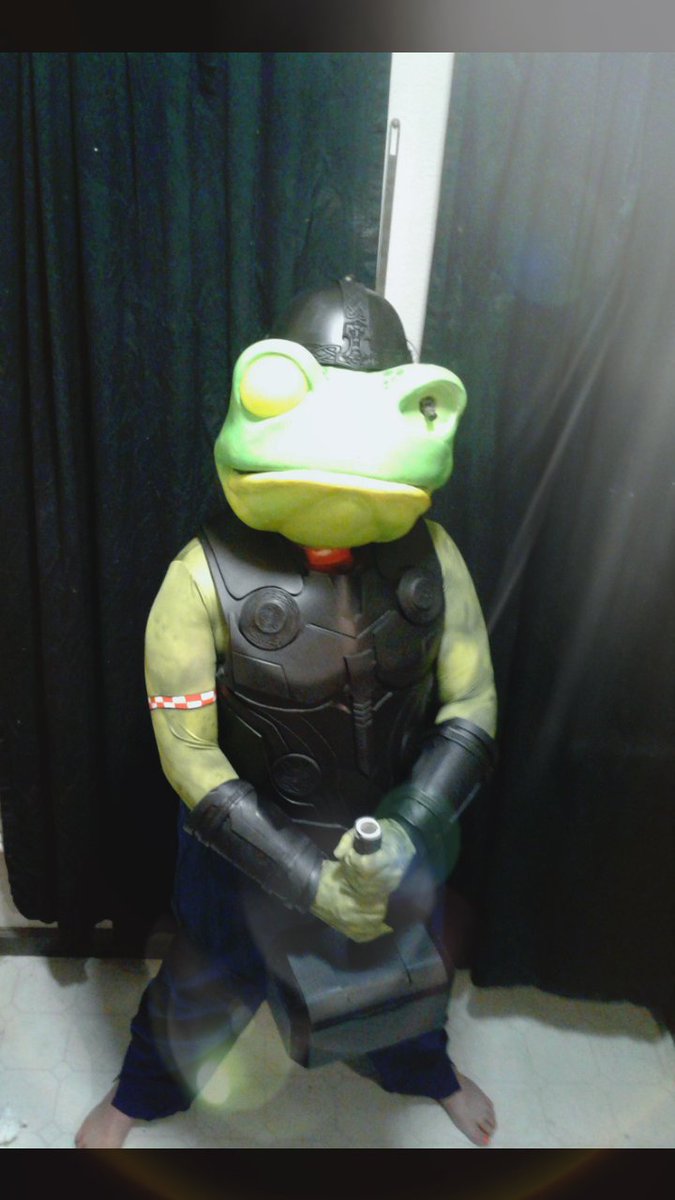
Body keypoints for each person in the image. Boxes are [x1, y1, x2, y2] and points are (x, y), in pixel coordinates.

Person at [76, 280, 498, 1149]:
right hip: (242, 848)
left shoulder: (435, 556)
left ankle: (426, 1072)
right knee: (204, 982)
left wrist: (411, 827)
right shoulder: (197, 578)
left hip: (388, 832)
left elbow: (472, 703)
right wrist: (307, 882)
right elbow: (190, 759)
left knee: (405, 975)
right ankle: (140, 1096)